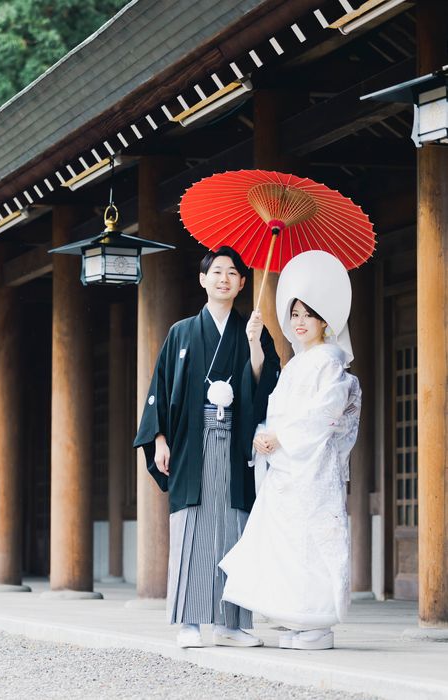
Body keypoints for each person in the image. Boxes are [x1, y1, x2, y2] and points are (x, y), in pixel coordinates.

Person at [134, 246, 280, 649]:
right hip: (191, 444)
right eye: (216, 271)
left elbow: (265, 385)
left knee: (234, 527)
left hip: (236, 443)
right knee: (192, 528)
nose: (224, 278)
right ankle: (190, 622)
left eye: (233, 273)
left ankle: (231, 624)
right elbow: (159, 391)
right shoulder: (181, 332)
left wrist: (254, 345)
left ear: (243, 283)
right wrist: (159, 438)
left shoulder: (253, 330)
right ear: (203, 279)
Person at [219, 250, 361, 651]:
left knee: (310, 542)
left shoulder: (329, 361)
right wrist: (263, 434)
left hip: (312, 468)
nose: (299, 322)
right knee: (285, 541)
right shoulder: (297, 363)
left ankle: (318, 624)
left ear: (324, 322)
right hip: (286, 466)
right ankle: (298, 620)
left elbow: (326, 413)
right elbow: (278, 410)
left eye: (308, 315)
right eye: (294, 314)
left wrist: (283, 437)